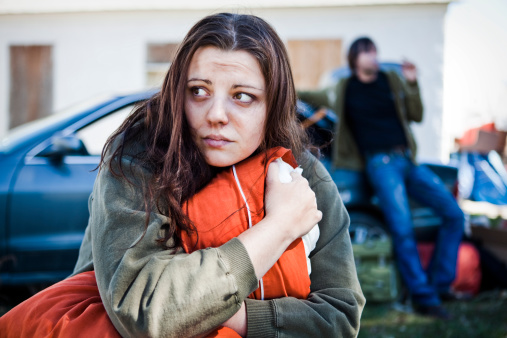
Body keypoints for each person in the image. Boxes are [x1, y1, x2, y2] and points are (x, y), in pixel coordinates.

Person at [0, 13, 365, 337]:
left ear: (273, 105)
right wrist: (280, 226)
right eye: (199, 91)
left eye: (242, 96)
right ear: (178, 93)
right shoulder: (136, 158)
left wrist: (220, 315)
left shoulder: (304, 175)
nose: (216, 114)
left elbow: (339, 318)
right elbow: (143, 311)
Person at [298, 37, 464, 319]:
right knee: (402, 228)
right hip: (380, 164)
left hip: (407, 160)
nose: (373, 56)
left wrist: (412, 82)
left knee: (455, 215)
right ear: (355, 59)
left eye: (374, 51)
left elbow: (417, 114)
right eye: (366, 52)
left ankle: (440, 285)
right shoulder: (343, 88)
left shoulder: (392, 81)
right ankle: (424, 298)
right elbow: (311, 95)